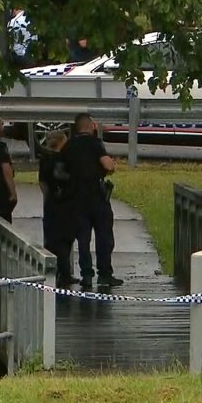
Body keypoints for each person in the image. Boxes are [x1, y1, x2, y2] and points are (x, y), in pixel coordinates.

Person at [61, 113, 122, 288]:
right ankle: (105, 274)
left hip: (76, 198)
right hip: (96, 197)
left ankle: (86, 275)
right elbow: (107, 165)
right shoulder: (95, 144)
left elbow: (62, 169)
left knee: (83, 239)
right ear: (90, 126)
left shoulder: (69, 145)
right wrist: (110, 165)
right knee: (104, 237)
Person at [38, 130, 78, 288]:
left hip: (52, 202)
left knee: (53, 239)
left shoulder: (45, 159)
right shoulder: (67, 159)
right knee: (66, 239)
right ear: (62, 141)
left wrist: (47, 197)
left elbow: (42, 182)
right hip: (67, 203)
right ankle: (65, 273)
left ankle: (56, 271)